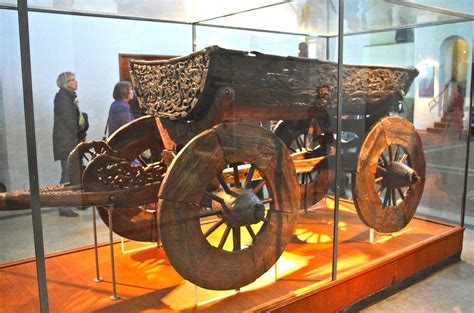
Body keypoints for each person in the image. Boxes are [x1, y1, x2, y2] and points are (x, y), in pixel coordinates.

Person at [53, 71, 83, 217]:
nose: (76, 82)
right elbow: (69, 121)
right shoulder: (62, 98)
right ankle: (63, 206)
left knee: (73, 173)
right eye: (72, 80)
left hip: (70, 142)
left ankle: (75, 202)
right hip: (67, 143)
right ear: (66, 83)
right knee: (67, 174)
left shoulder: (67, 98)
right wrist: (79, 129)